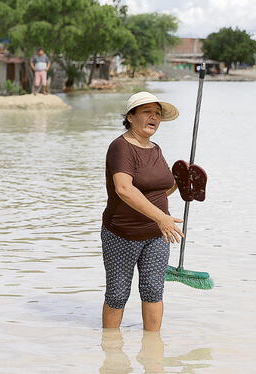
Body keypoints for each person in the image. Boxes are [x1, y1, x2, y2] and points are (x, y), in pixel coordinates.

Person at [101, 91, 183, 332]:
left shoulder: (155, 148)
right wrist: (162, 218)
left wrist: (183, 182)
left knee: (153, 291)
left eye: (157, 114)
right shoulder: (120, 147)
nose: (154, 118)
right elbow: (124, 189)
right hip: (122, 233)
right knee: (117, 294)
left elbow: (159, 191)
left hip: (157, 235)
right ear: (130, 117)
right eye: (147, 112)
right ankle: (111, 352)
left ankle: (153, 354)